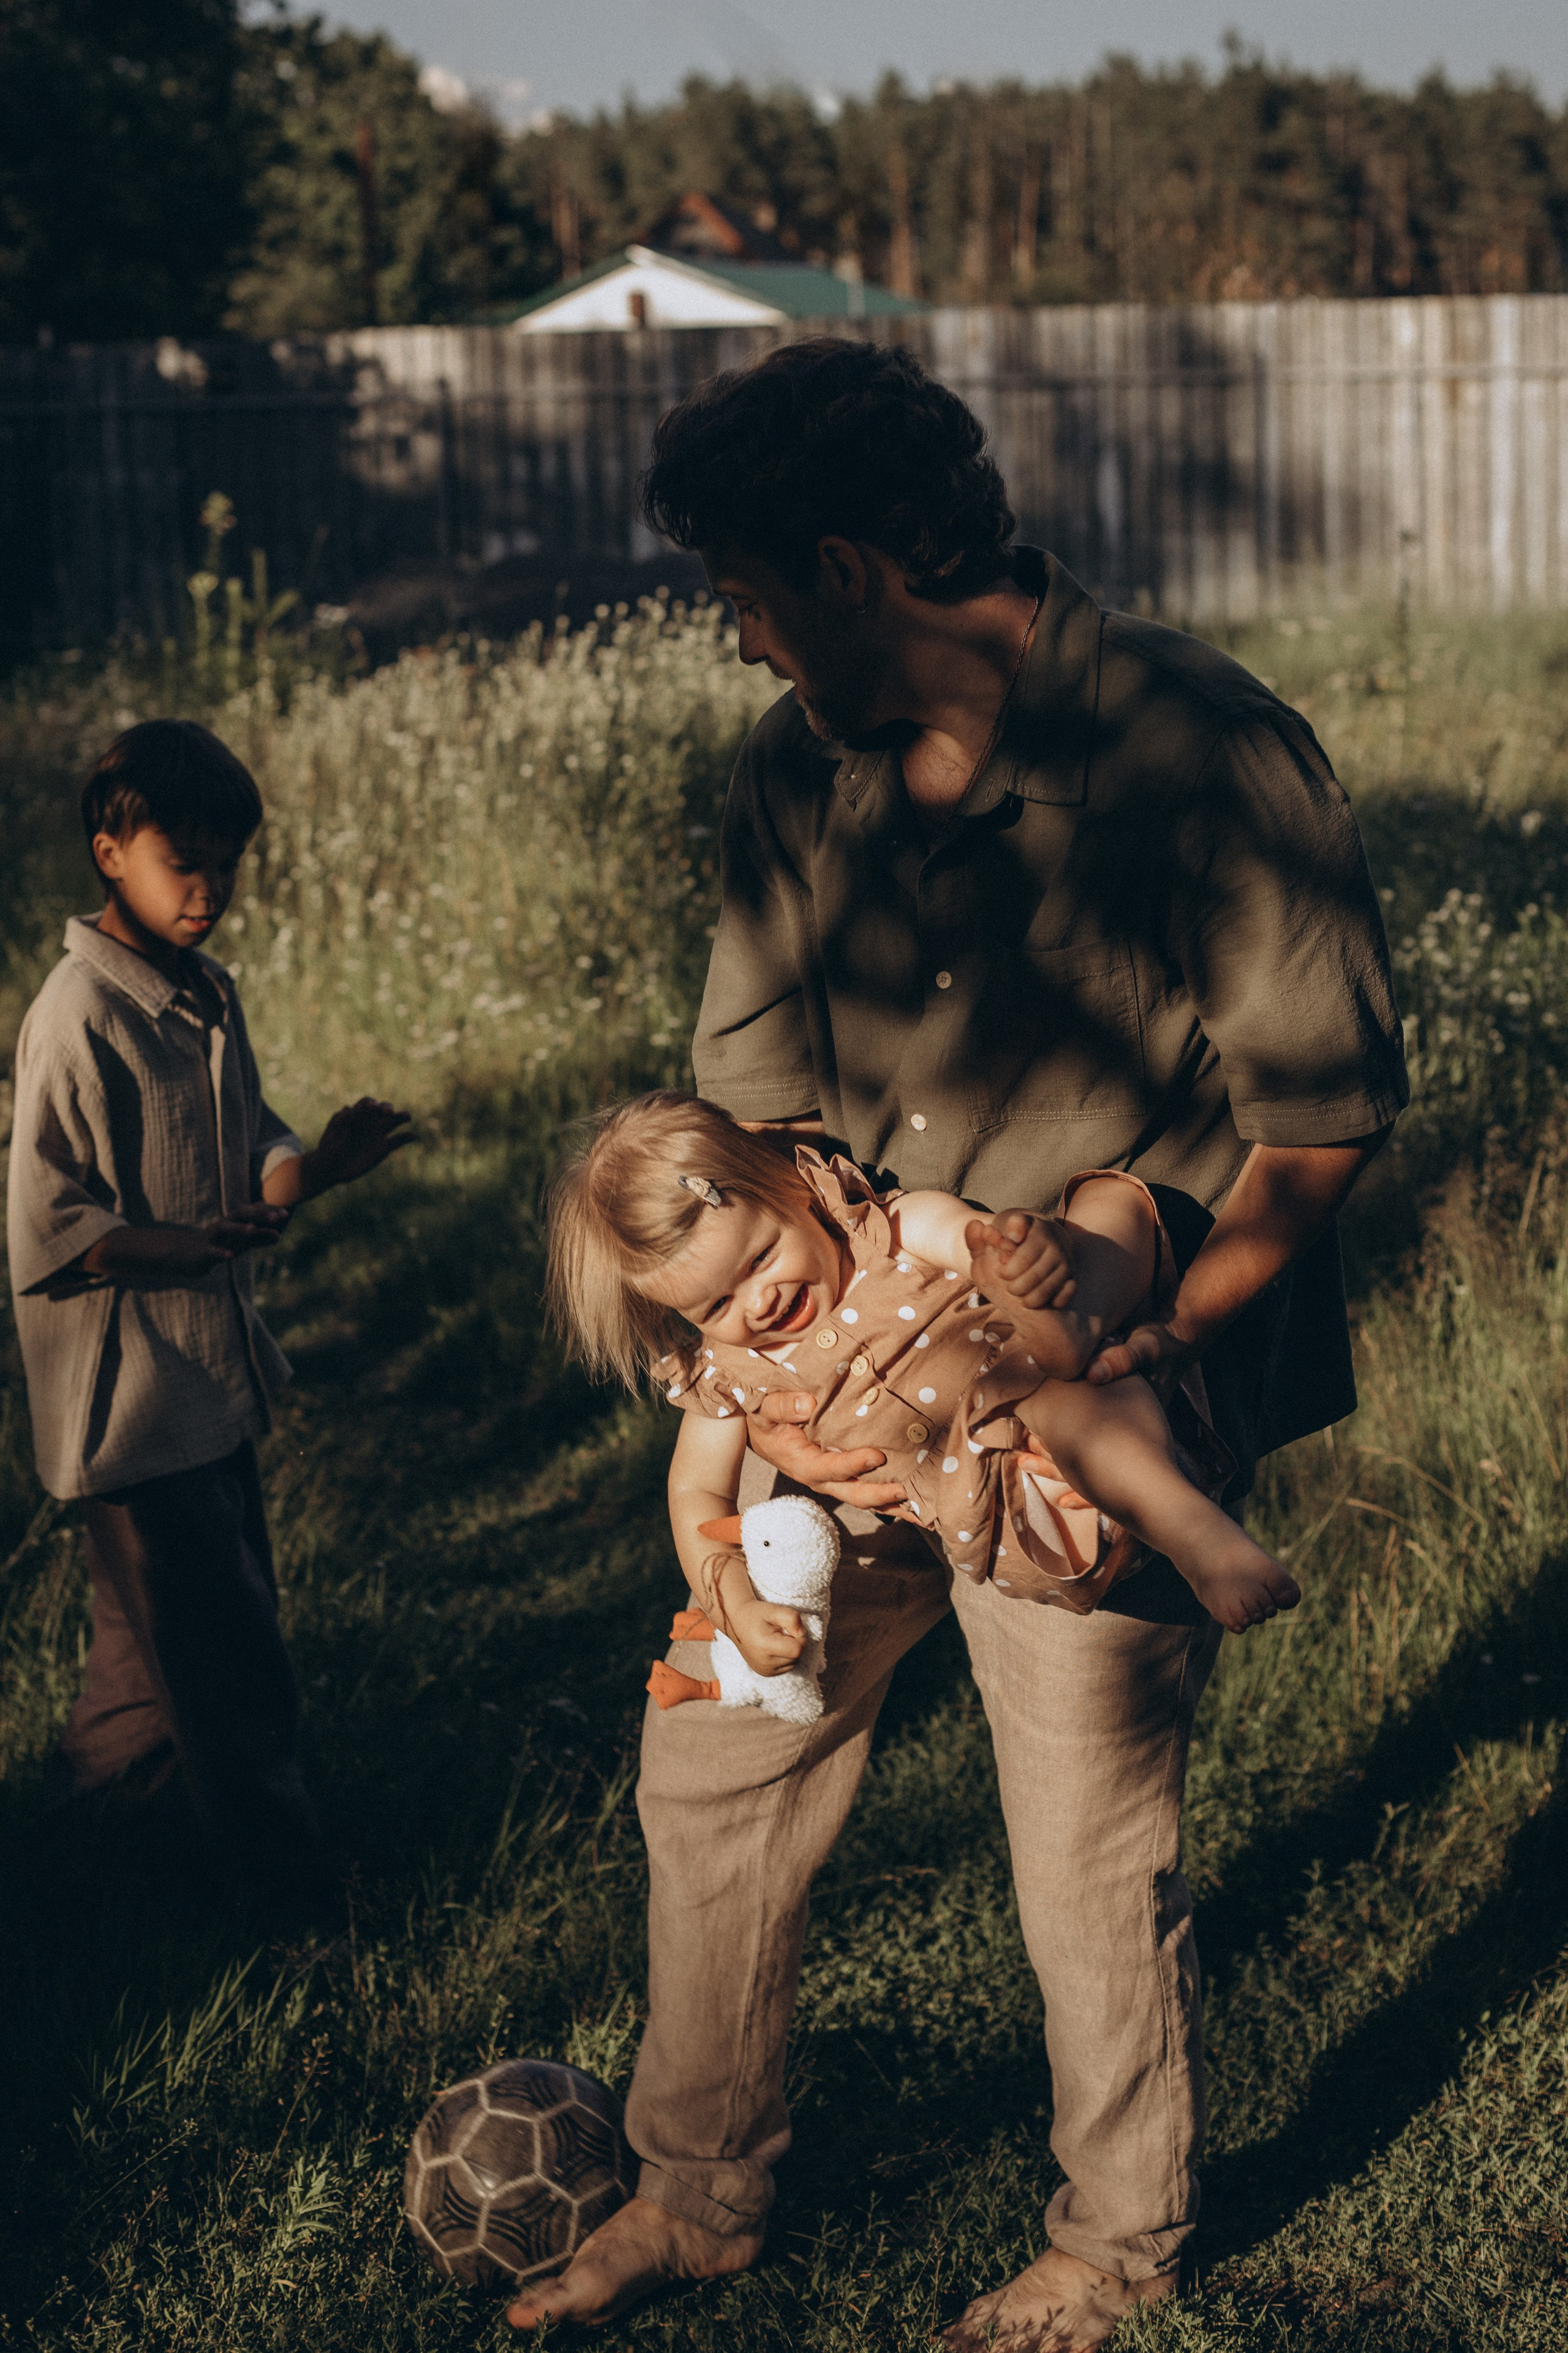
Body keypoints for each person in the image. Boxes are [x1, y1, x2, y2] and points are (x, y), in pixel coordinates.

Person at [507, 339, 1408, 2350]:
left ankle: (1113, 2247)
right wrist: (764, 1403)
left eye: (750, 597)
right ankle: (698, 2186)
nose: (745, 644)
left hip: (1068, 1417)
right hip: (830, 1386)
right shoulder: (789, 778)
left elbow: (1319, 1132)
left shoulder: (1205, 758)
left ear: (848, 567)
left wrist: (1124, 1328)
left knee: (1081, 1841)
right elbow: (755, 1124)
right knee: (712, 1757)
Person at [6, 719, 411, 1931]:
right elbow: (42, 1221)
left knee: (144, 1662)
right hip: (134, 1413)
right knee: (228, 1661)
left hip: (209, 1386)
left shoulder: (205, 993)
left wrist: (319, 1167)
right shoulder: (77, 1017)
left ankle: (98, 1860)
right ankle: (289, 1900)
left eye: (227, 862)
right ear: (108, 852)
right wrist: (166, 1245)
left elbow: (249, 1157)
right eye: (182, 859)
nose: (207, 887)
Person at [548, 1092, 1299, 1643]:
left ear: (797, 1189)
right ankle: (1190, 1525)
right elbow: (695, 1492)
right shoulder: (729, 1374)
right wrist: (732, 1603)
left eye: (760, 1258)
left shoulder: (888, 1227)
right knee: (1044, 1383)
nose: (760, 1302)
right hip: (1019, 1514)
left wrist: (1004, 1247)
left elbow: (961, 1231)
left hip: (1109, 1433)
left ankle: (1063, 1315)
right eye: (715, 1306)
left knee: (1109, 1208)